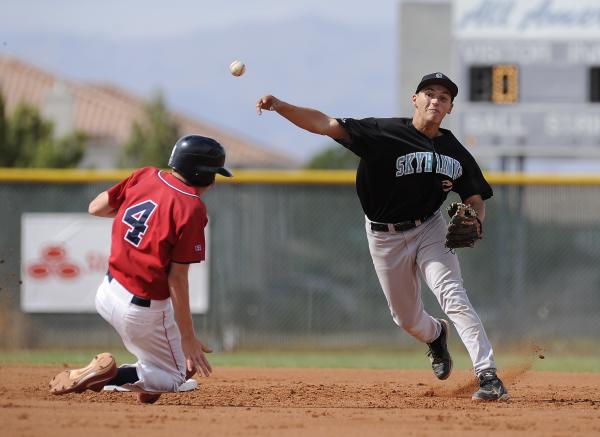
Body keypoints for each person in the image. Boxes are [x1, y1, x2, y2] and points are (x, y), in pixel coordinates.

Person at [256, 72, 509, 402]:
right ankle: (436, 335)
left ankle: (488, 375)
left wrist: (475, 216)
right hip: (384, 236)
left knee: (452, 295)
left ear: (450, 109)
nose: (435, 100)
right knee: (406, 318)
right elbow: (324, 123)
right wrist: (280, 106)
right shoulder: (383, 133)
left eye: (444, 97)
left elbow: (475, 196)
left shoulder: (454, 150)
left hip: (430, 228)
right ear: (415, 100)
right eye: (429, 93)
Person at [48, 135, 233, 403]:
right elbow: (177, 280)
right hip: (141, 312)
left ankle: (148, 380)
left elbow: (96, 208)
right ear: (202, 174)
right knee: (176, 376)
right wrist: (189, 338)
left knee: (174, 356)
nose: (215, 181)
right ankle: (108, 376)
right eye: (214, 173)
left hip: (108, 292)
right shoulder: (192, 208)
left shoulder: (146, 175)